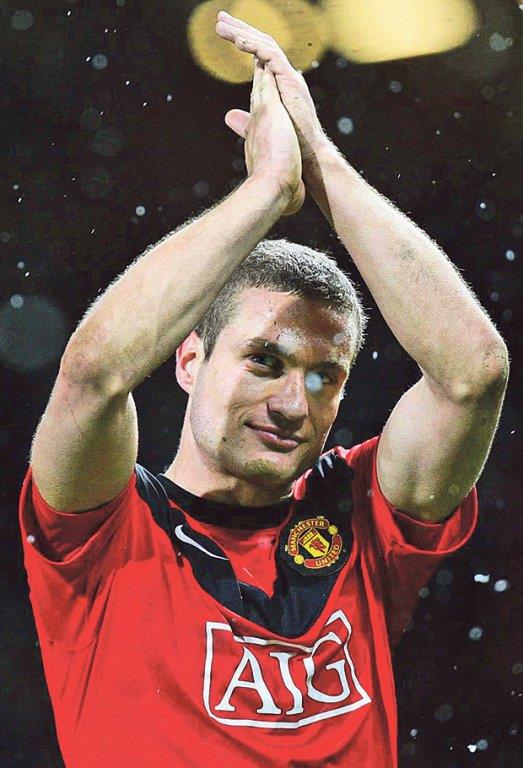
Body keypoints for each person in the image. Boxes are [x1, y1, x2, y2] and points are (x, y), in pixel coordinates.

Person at [19, 11, 509, 768]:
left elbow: (473, 374)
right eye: (264, 362)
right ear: (189, 361)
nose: (292, 405)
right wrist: (267, 192)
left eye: (323, 377)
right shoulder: (105, 530)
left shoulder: (361, 515)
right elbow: (92, 374)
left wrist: (321, 165)